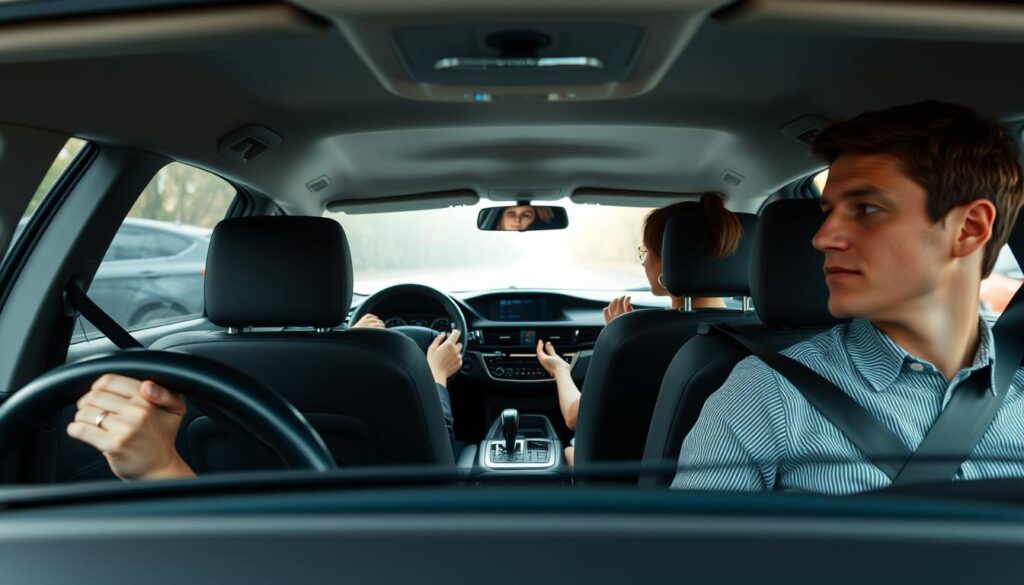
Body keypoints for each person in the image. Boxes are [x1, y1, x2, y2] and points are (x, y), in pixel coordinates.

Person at [673, 101, 1024, 494]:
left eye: (867, 209)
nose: (822, 238)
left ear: (969, 229)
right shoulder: (767, 395)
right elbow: (689, 556)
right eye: (828, 211)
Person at [66, 313, 463, 480]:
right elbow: (435, 452)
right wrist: (435, 376)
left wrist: (158, 468)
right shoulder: (389, 365)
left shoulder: (178, 362)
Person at [535, 193, 745, 466]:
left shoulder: (633, 337)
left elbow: (574, 417)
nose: (643, 262)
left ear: (666, 261)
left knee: (568, 453)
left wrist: (566, 366)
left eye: (645, 252)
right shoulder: (762, 334)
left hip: (637, 488)